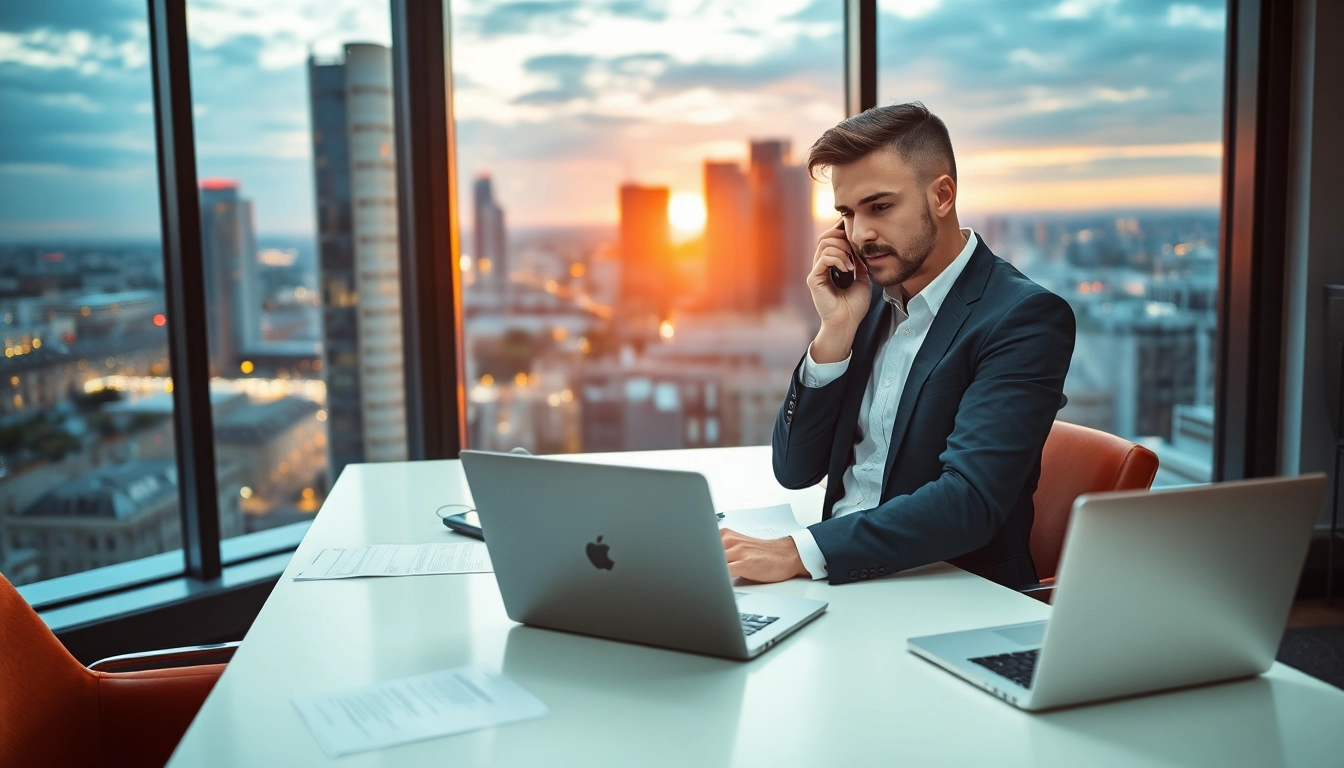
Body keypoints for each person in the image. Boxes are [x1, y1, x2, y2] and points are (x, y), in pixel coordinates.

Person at [721, 102, 1075, 588]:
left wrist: (799, 553)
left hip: (943, 590)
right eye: (847, 213)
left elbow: (969, 501)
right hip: (835, 578)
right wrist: (835, 333)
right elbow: (795, 469)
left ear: (943, 195)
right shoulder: (863, 303)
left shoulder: (1024, 318)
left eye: (880, 207)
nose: (860, 234)